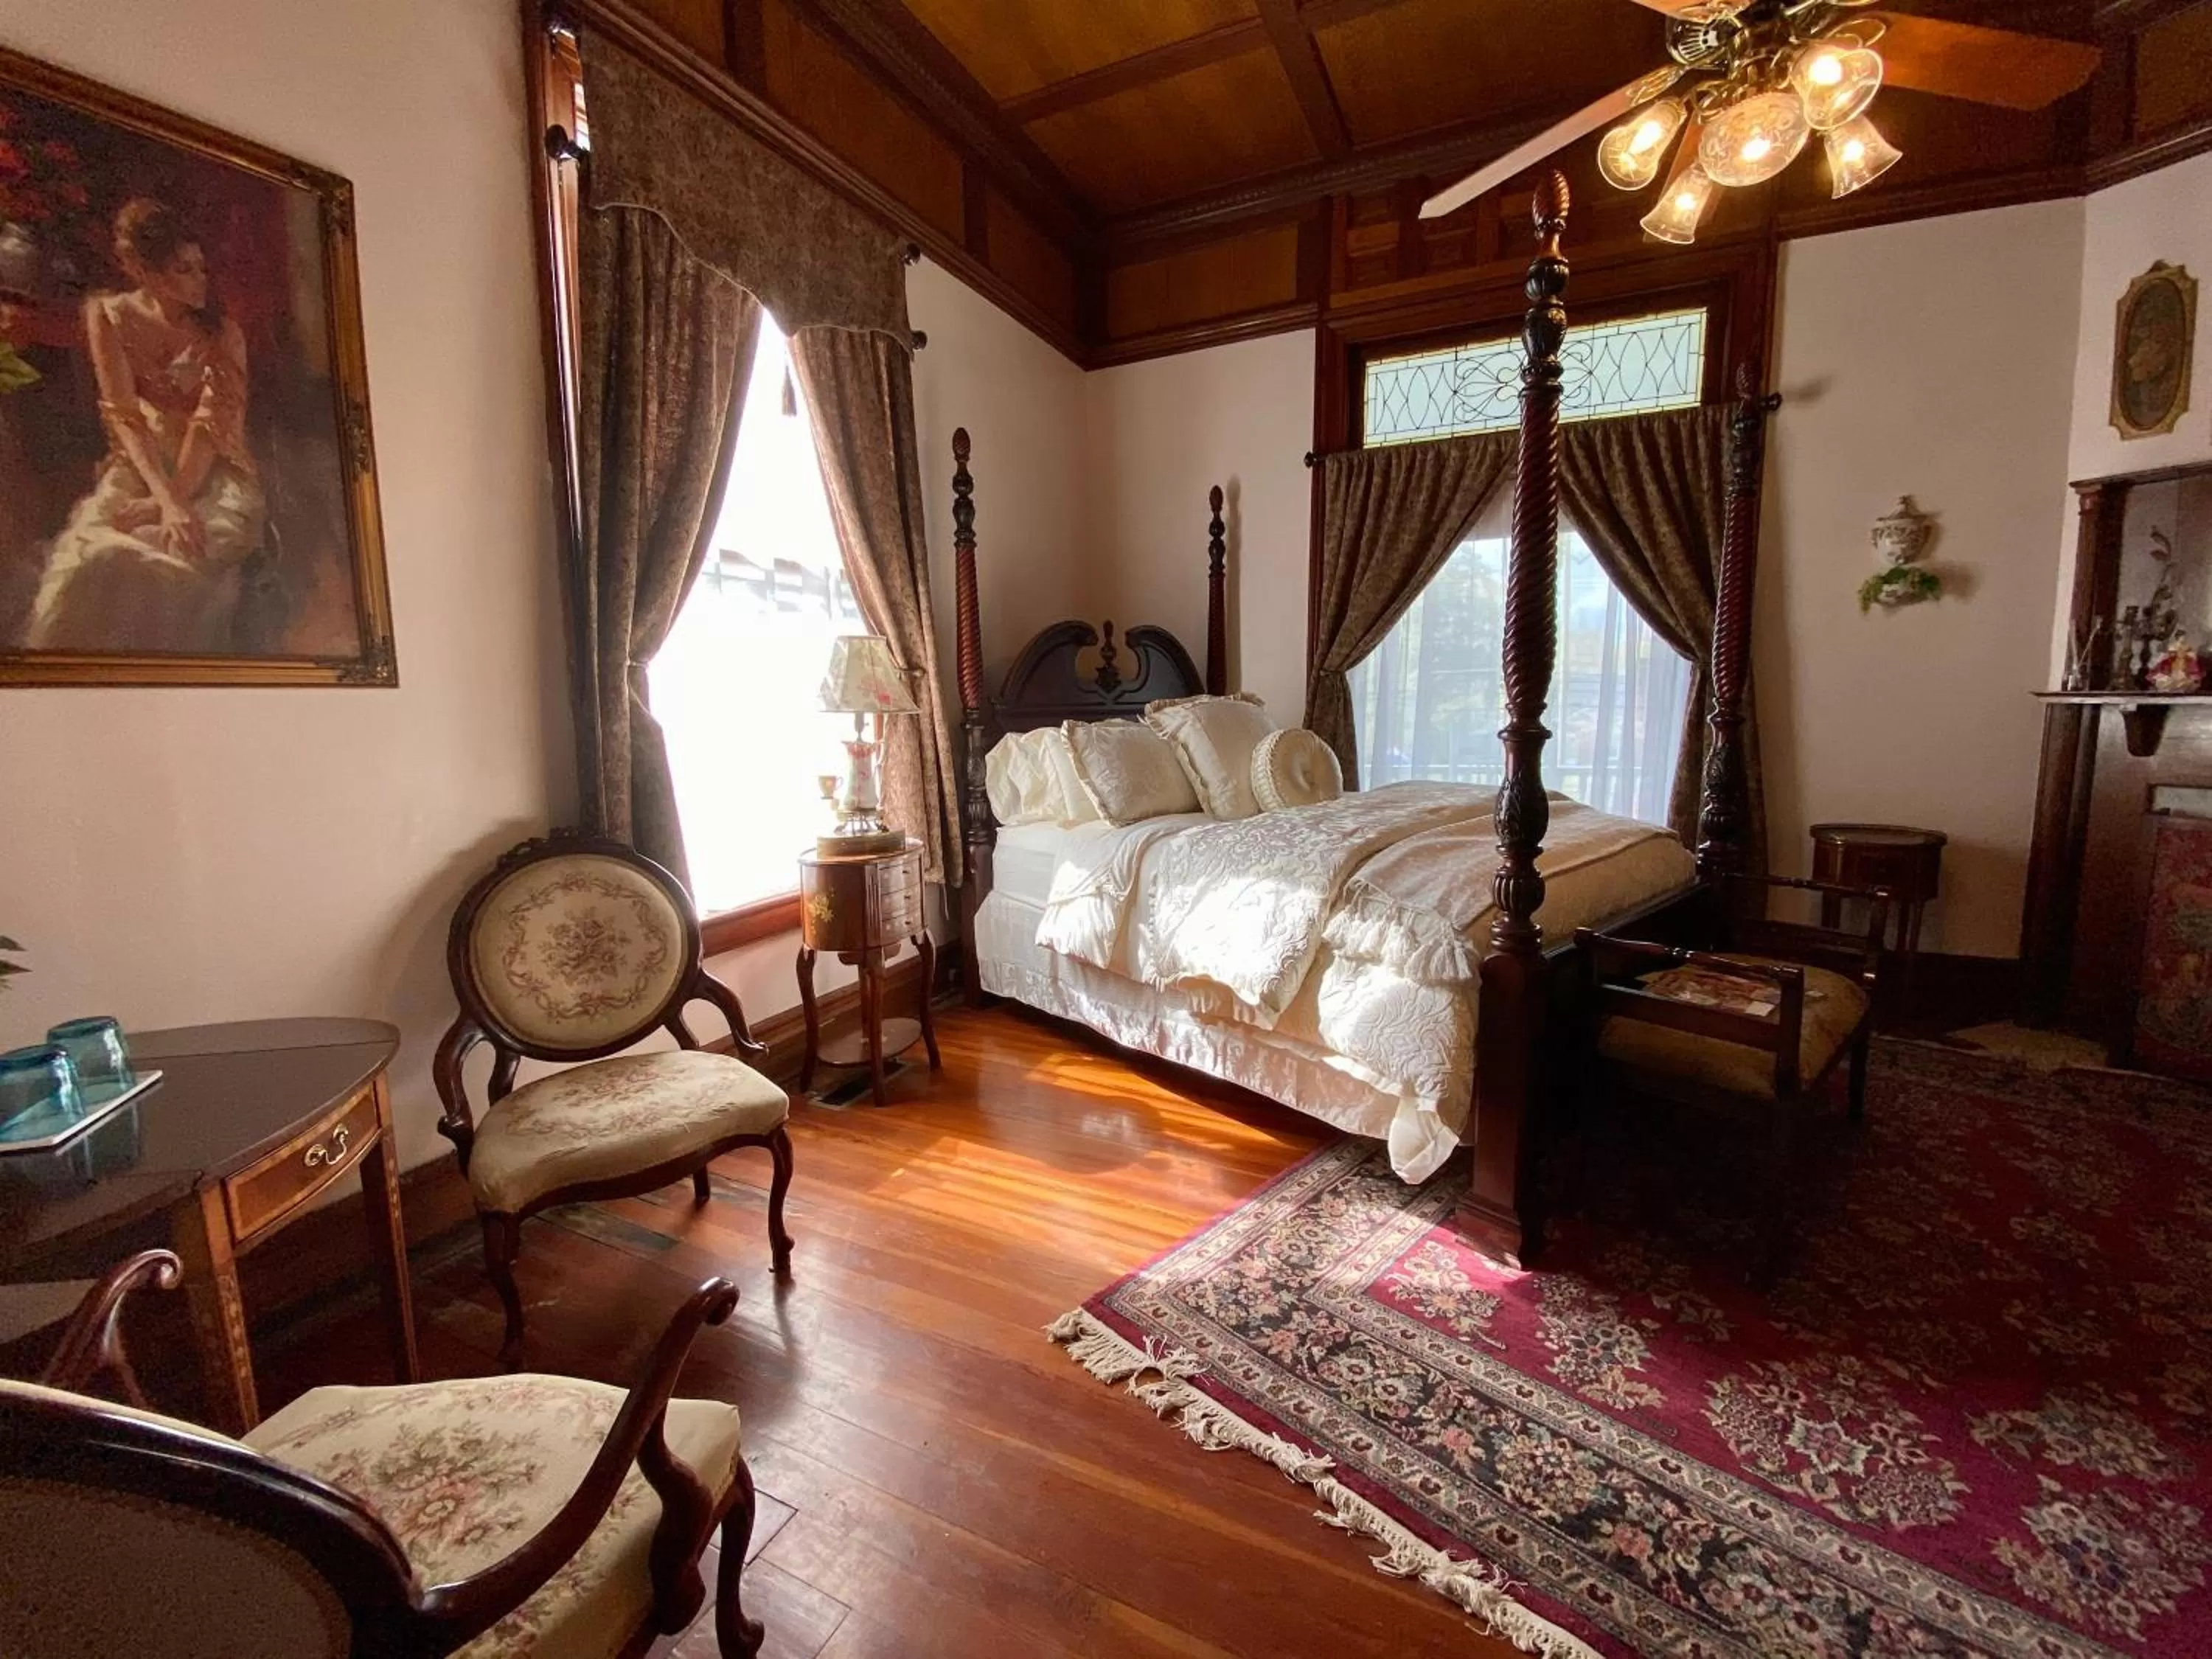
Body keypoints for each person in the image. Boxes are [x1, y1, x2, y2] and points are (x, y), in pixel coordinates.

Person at [26, 197, 267, 654]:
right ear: (142, 272)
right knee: (88, 559)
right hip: (145, 462)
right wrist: (160, 497)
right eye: (182, 270)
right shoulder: (109, 315)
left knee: (176, 557)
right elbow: (124, 415)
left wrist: (170, 506)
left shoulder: (222, 333)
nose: (200, 280)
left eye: (201, 267)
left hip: (210, 468)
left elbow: (210, 429)